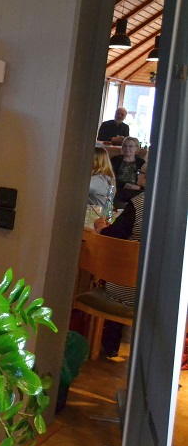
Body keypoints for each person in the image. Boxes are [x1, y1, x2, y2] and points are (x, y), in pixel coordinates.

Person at [93, 191, 144, 357]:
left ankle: (109, 342)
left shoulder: (139, 203)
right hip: (168, 296)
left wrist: (101, 229)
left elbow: (114, 236)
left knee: (119, 278)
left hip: (128, 289)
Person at [110, 136, 145, 207]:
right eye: (125, 146)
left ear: (136, 148)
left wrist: (139, 187)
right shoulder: (115, 160)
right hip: (118, 190)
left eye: (130, 146)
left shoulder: (141, 163)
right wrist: (124, 185)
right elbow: (110, 177)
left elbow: (145, 180)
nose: (127, 148)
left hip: (136, 193)